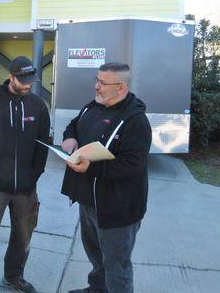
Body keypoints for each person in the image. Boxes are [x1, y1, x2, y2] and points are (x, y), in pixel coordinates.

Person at [61, 62, 152, 293]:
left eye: (103, 83)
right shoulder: (93, 107)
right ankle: (97, 289)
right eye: (96, 80)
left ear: (120, 88)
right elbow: (74, 124)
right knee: (96, 256)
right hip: (88, 201)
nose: (96, 87)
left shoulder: (136, 121)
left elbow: (132, 165)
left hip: (117, 208)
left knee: (116, 265)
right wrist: (70, 137)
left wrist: (90, 168)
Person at [0, 56, 50, 293]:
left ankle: (14, 277)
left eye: (30, 81)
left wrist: (34, 175)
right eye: (23, 80)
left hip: (26, 188)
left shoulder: (37, 106)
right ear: (11, 76)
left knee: (23, 238)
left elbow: (42, 144)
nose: (28, 85)